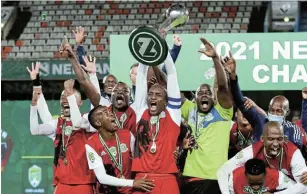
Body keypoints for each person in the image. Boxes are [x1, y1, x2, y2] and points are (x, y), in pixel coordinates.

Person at [29, 62, 96, 193]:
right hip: (62, 184)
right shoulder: (57, 124)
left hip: (84, 184)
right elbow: (35, 129)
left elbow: (94, 105)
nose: (64, 98)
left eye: (68, 96)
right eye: (62, 96)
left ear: (80, 103)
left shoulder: (87, 120)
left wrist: (92, 76)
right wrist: (36, 87)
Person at [180, 38, 233, 194]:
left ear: (213, 97)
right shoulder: (189, 109)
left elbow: (223, 87)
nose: (204, 95)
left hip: (215, 178)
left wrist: (215, 58)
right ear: (195, 99)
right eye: (200, 93)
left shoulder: (223, 111)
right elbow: (168, 87)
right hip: (191, 177)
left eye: (207, 93)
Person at [226, 52, 305, 151]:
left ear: (287, 112)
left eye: (278, 111)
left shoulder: (294, 129)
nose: (274, 113)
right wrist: (233, 77)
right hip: (259, 165)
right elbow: (240, 102)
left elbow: (295, 152)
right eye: (272, 110)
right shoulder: (260, 121)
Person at [131, 50, 181, 194]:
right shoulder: (141, 111)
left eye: (158, 95)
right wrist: (144, 54)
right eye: (151, 94)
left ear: (166, 102)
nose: (153, 97)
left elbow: (172, 74)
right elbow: (141, 76)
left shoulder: (173, 114)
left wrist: (163, 48)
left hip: (167, 179)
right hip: (142, 178)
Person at [217, 121, 307, 194]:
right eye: (271, 139)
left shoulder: (294, 155)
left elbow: (304, 188)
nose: (275, 144)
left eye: (279, 139)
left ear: (284, 139)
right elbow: (223, 171)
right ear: (262, 139)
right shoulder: (251, 152)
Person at [85, 105, 155, 193]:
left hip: (131, 190)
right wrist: (132, 183)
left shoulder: (127, 135)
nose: (111, 114)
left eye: (110, 112)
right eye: (105, 113)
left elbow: (141, 158)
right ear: (98, 123)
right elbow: (102, 177)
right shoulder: (91, 144)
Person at [229, 158, 300, 194]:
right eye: (251, 183)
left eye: (259, 183)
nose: (255, 187)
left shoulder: (277, 177)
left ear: (266, 174)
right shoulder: (234, 178)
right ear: (245, 175)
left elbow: (298, 190)